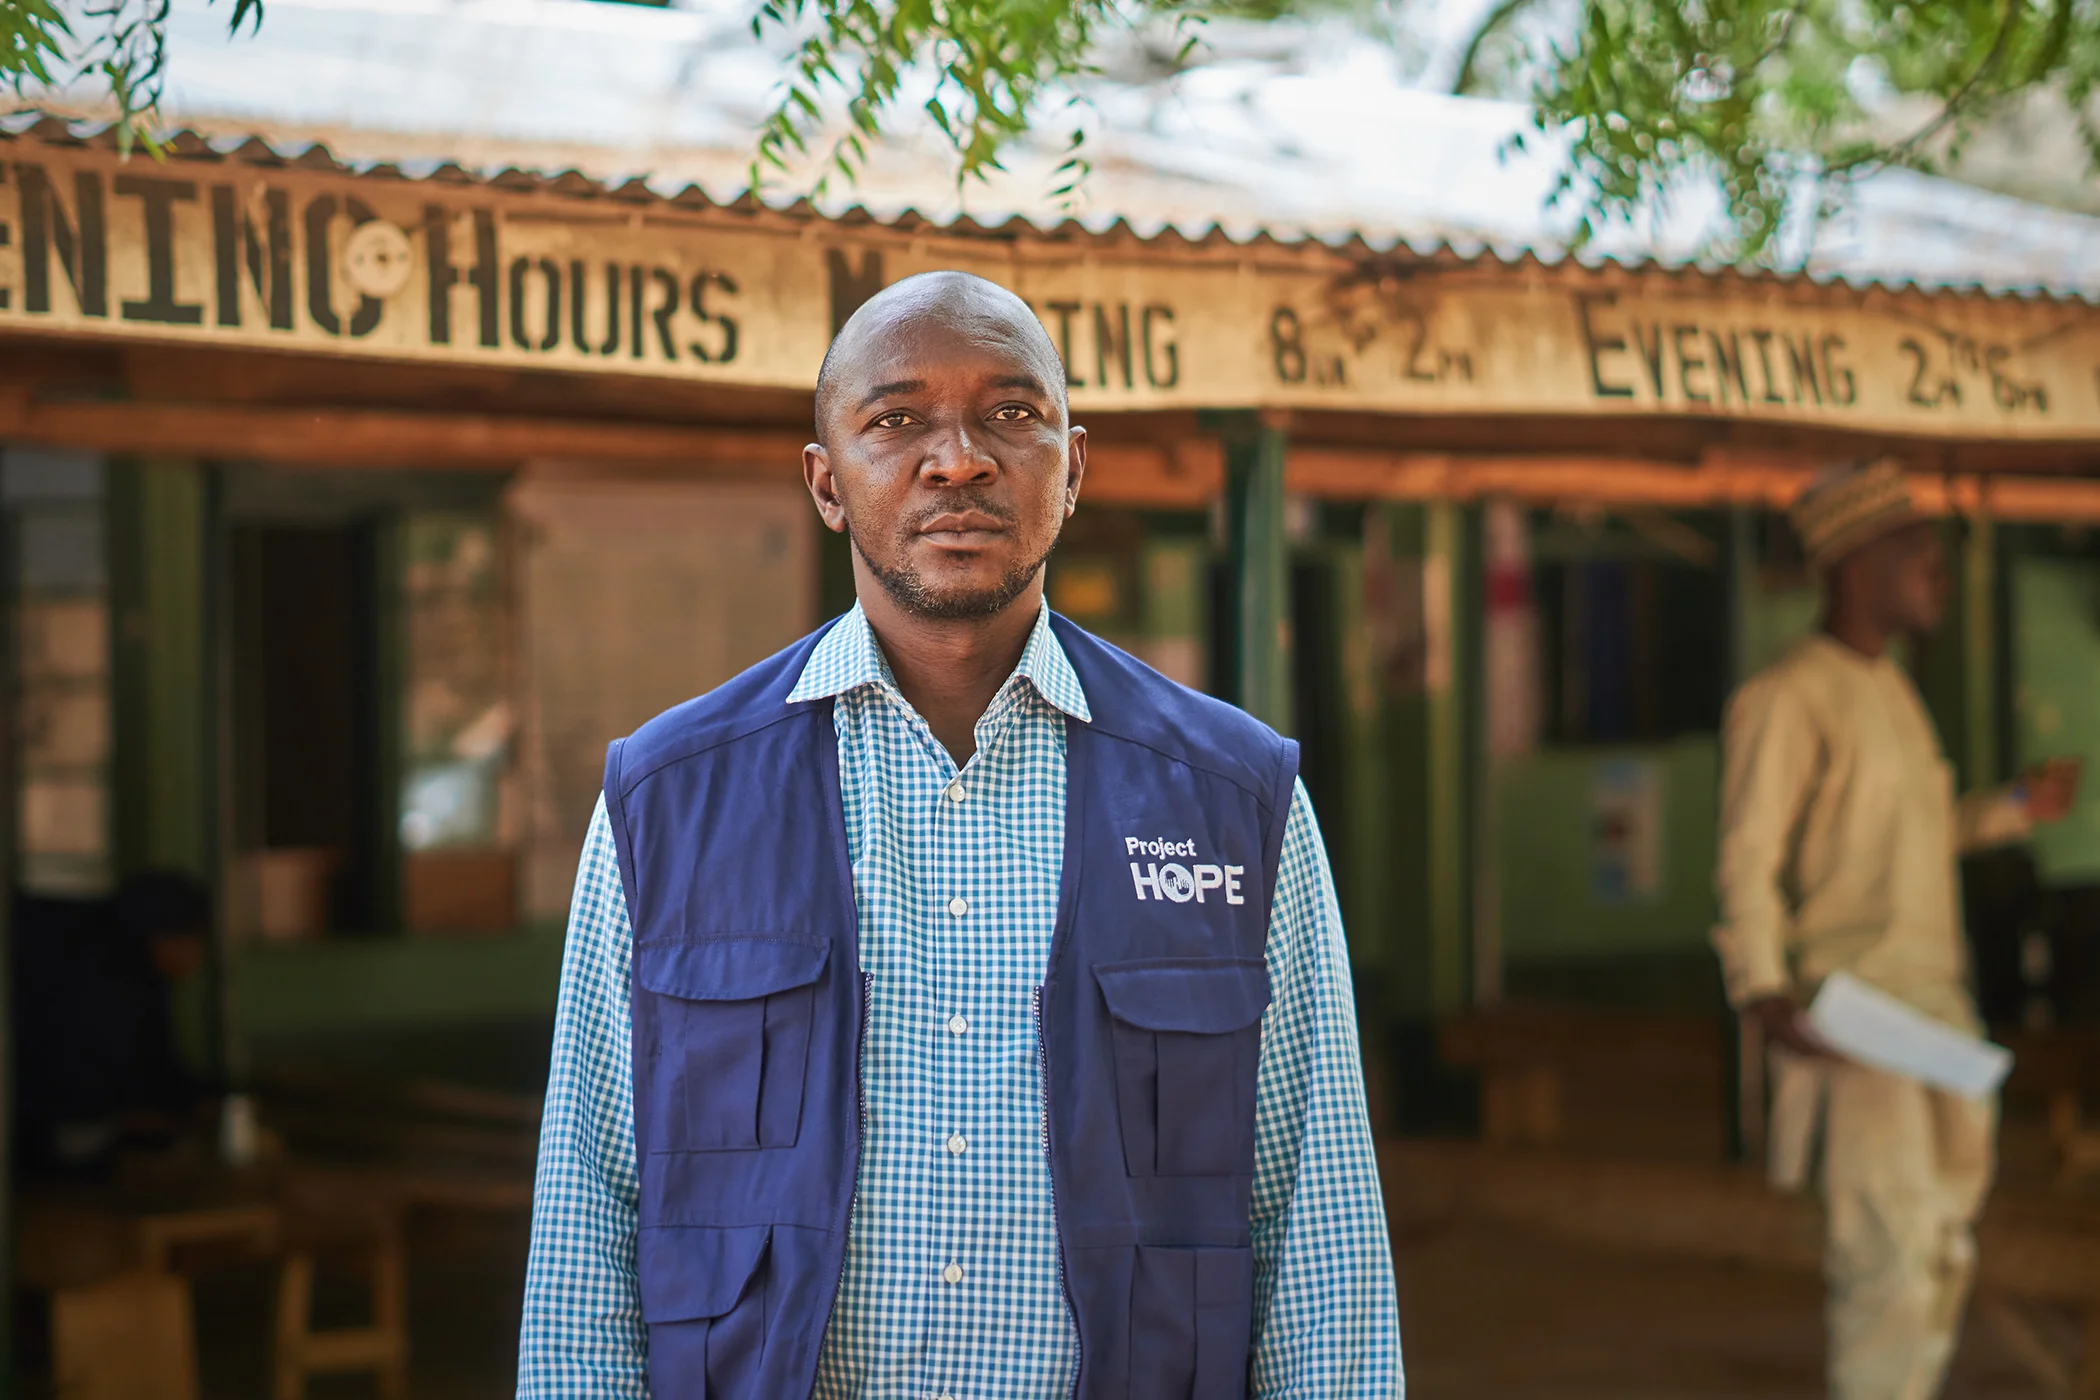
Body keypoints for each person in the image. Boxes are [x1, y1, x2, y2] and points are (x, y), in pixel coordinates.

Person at [516, 271, 1402, 1398]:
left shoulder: (1232, 798)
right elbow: (589, 1231)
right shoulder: (668, 800)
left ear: (1072, 469)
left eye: (1010, 414)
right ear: (827, 482)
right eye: (896, 420)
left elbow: (1315, 1225)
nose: (960, 458)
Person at [1714, 460, 2080, 1400]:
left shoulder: (1894, 694)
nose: (1936, 569)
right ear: (1851, 563)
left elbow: (1917, 833)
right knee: (1889, 1261)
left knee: (1942, 1250)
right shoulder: (1787, 697)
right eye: (1915, 549)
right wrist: (1762, 989)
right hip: (1860, 1019)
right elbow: (1747, 857)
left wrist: (2012, 807)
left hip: (1938, 1018)